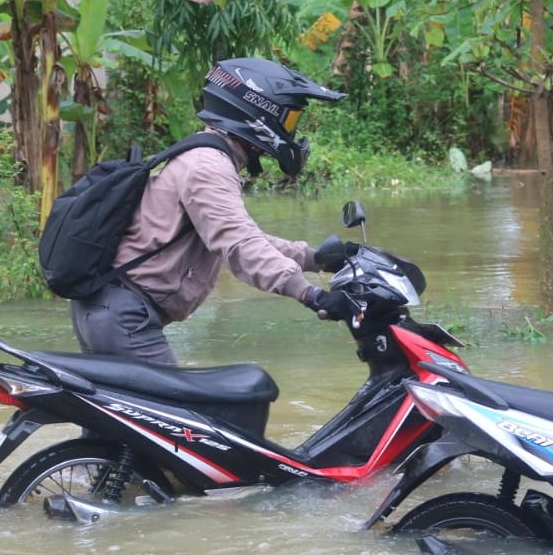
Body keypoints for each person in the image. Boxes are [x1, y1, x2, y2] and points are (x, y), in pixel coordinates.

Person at [70, 56, 357, 365]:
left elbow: (245, 236)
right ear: (258, 112)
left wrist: (318, 259)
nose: (290, 132)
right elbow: (239, 246)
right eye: (288, 121)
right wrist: (309, 295)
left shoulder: (207, 154)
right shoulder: (208, 165)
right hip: (123, 314)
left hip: (113, 309)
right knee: (182, 411)